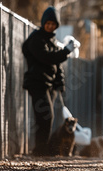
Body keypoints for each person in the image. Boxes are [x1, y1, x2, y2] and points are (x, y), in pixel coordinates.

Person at [22, 6, 76, 156]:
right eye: (48, 23)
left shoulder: (51, 39)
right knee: (45, 116)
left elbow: (56, 65)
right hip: (37, 83)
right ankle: (40, 150)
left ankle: (42, 149)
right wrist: (66, 51)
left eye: (53, 24)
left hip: (48, 84)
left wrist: (60, 82)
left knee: (46, 118)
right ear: (43, 23)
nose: (50, 26)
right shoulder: (36, 39)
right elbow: (47, 58)